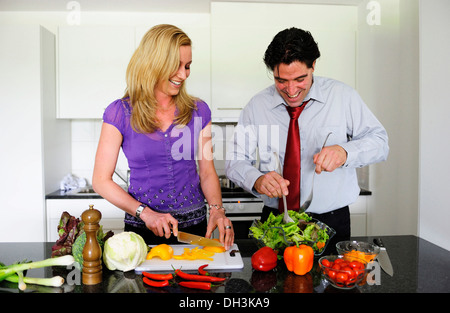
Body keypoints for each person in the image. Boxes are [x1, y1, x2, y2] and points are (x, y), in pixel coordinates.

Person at [225, 27, 389, 240]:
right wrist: (257, 180)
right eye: (281, 80)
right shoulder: (257, 106)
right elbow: (235, 161)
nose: (291, 90)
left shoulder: (343, 97)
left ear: (313, 66)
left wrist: (345, 152)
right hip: (275, 221)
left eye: (300, 79)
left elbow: (380, 142)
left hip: (331, 221)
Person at [92, 24, 234, 249]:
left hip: (194, 227)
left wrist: (217, 211)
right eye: (175, 66)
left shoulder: (199, 111)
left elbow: (207, 172)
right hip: (143, 229)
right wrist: (146, 214)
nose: (183, 74)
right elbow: (101, 181)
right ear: (153, 63)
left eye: (187, 66)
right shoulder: (119, 112)